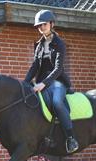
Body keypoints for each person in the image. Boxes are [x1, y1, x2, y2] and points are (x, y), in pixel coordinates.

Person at [24, 9, 78, 153]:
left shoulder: (60, 43)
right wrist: (25, 82)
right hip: (42, 82)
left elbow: (58, 69)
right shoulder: (39, 45)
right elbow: (35, 65)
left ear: (52, 24)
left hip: (57, 81)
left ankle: (71, 138)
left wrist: (43, 84)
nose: (41, 28)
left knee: (56, 103)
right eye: (39, 25)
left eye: (44, 24)